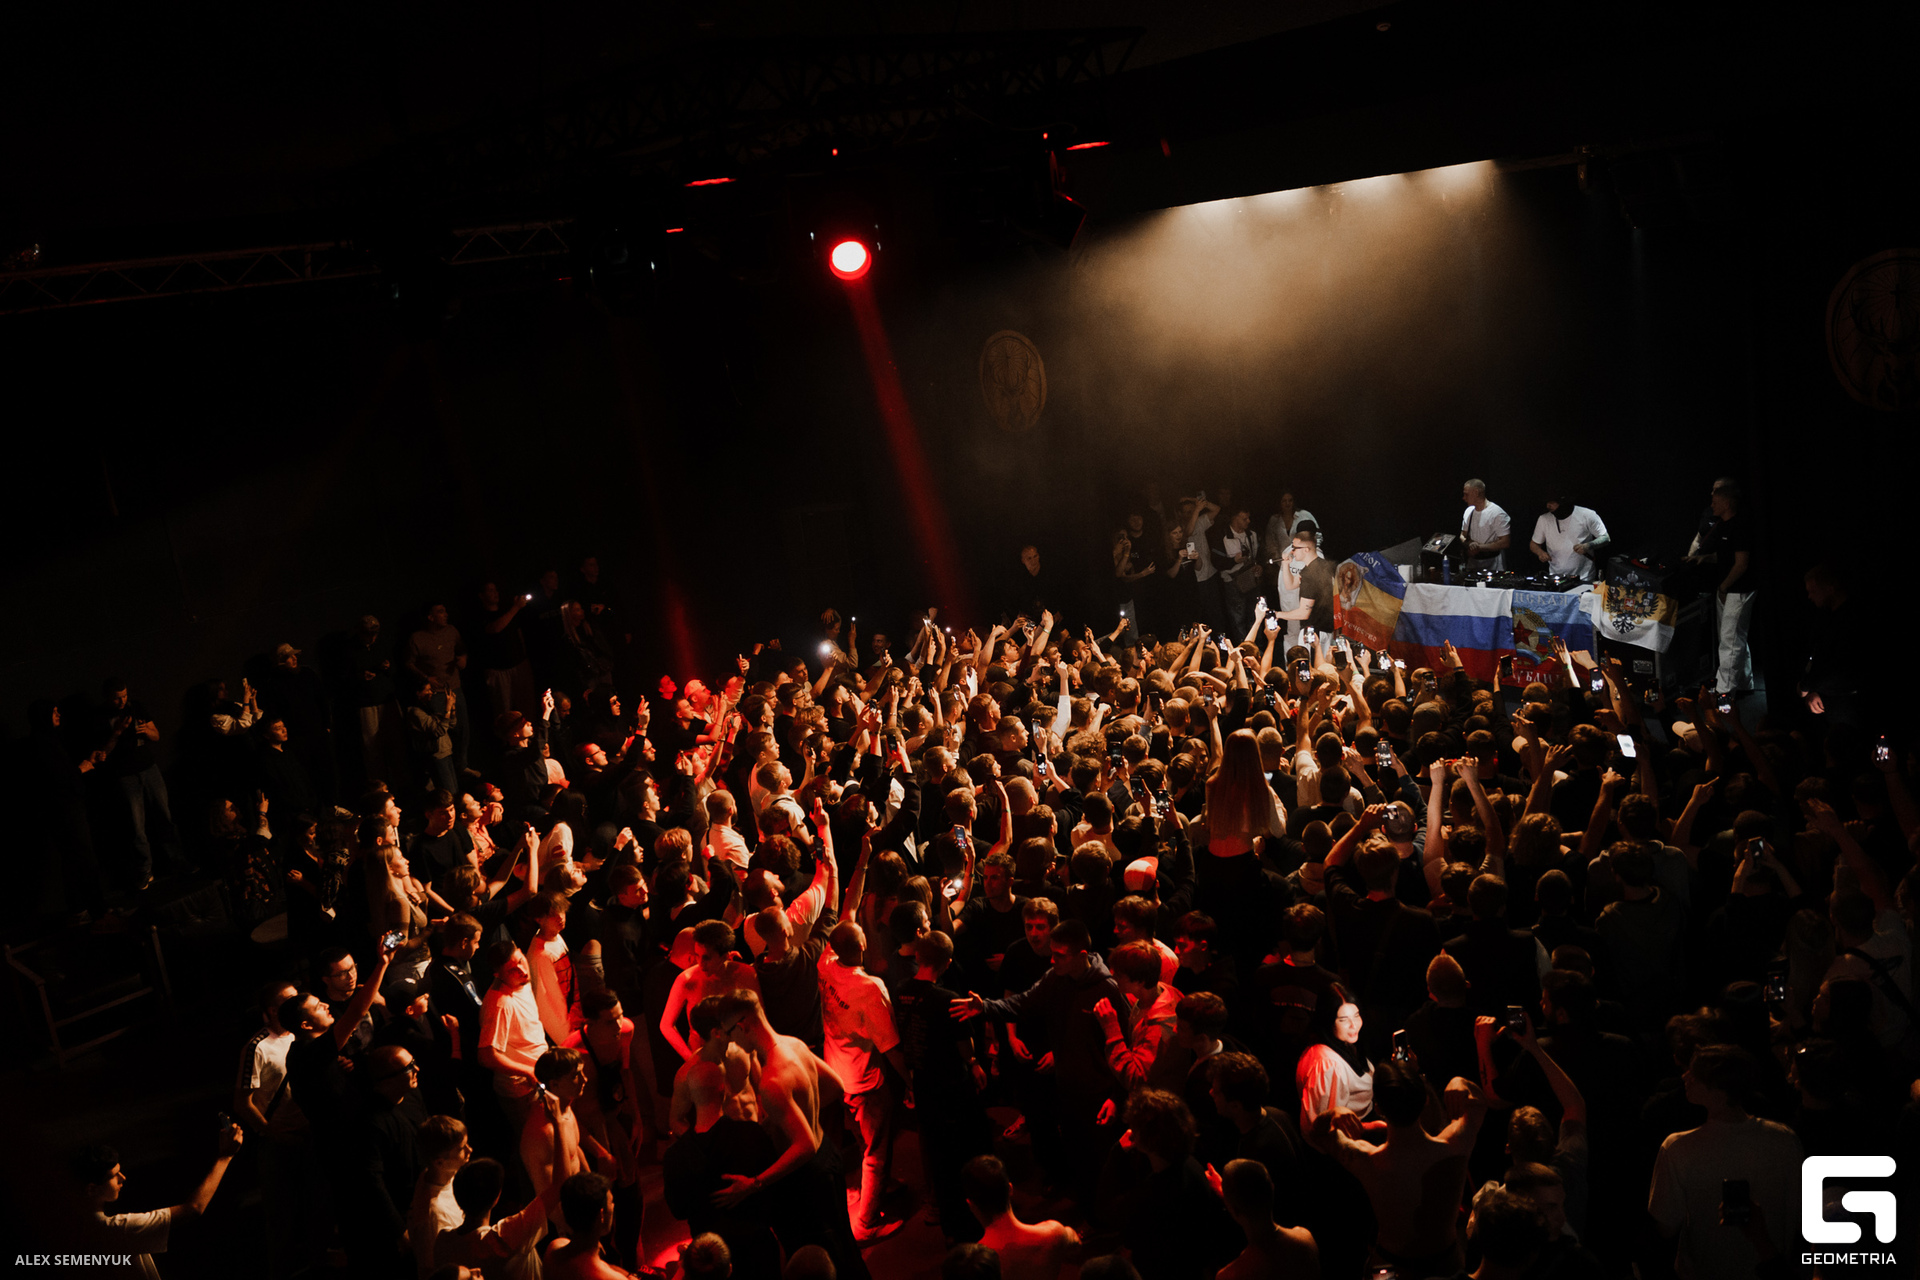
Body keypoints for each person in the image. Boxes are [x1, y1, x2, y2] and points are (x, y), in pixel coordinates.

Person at [1309, 1060, 1489, 1277]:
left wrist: (1333, 1113)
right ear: (1425, 1100)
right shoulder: (1455, 1145)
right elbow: (1479, 1103)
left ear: (1378, 1108)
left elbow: (1316, 1135)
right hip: (1446, 1264)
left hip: (1390, 1268)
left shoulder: (1367, 1160)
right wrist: (1462, 1083)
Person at [1647, 1045, 1802, 1280]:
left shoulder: (1678, 1148)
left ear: (1718, 1090)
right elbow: (1798, 1211)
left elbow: (1666, 1226)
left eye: (1695, 1074)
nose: (1685, 1076)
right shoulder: (1785, 1139)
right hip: (1771, 1271)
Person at [71, 1123, 244, 1278]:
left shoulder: (73, 1232)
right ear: (92, 1189)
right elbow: (194, 1208)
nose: (123, 1178)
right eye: (114, 1175)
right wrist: (225, 1156)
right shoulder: (117, 1230)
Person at [97, 675, 185, 890]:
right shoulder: (100, 717)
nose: (122, 701)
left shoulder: (136, 707)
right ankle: (145, 870)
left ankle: (177, 860)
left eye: (125, 696)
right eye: (117, 698)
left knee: (164, 816)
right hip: (125, 776)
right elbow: (102, 753)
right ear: (107, 697)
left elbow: (157, 736)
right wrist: (117, 732)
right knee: (137, 827)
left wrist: (147, 731)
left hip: (149, 769)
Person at [1686, 477, 1755, 697]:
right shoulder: (1723, 525)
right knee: (1735, 636)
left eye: (1715, 500)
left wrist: (1724, 588)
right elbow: (1725, 556)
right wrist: (1703, 558)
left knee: (1730, 640)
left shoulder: (1741, 525)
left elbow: (1741, 564)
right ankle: (1744, 682)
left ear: (1727, 502)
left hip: (1738, 589)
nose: (1711, 504)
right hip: (1726, 588)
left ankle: (1724, 692)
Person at [960, 1155, 1079, 1280]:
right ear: (1010, 1189)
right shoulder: (1053, 1234)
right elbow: (1075, 1242)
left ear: (970, 1203)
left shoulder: (975, 1263)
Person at [1216, 1158, 1320, 1280]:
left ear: (1234, 1209)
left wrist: (1230, 1200)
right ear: (1272, 1188)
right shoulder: (1305, 1240)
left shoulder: (1231, 1275)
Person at [1527, 496, 1609, 582]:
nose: (1548, 505)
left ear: (1562, 502)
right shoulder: (1544, 519)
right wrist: (1540, 553)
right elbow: (1534, 544)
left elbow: (1605, 538)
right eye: (1547, 502)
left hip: (1584, 576)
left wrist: (1588, 546)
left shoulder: (1587, 514)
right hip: (1556, 576)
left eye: (1552, 502)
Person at [1273, 531, 1335, 634]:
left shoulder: (1310, 575)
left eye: (1295, 548)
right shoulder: (1320, 565)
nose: (1292, 552)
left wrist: (1277, 614)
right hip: (1324, 629)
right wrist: (1285, 564)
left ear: (1306, 549)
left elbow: (1303, 613)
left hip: (1314, 631)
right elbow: (1290, 585)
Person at [1459, 479, 1512, 573]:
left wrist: (1479, 547)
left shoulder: (1497, 513)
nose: (1464, 498)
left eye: (1466, 494)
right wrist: (1470, 544)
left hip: (1493, 564)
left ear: (1476, 492)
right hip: (1473, 563)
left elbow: (1505, 542)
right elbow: (1463, 535)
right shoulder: (1469, 511)